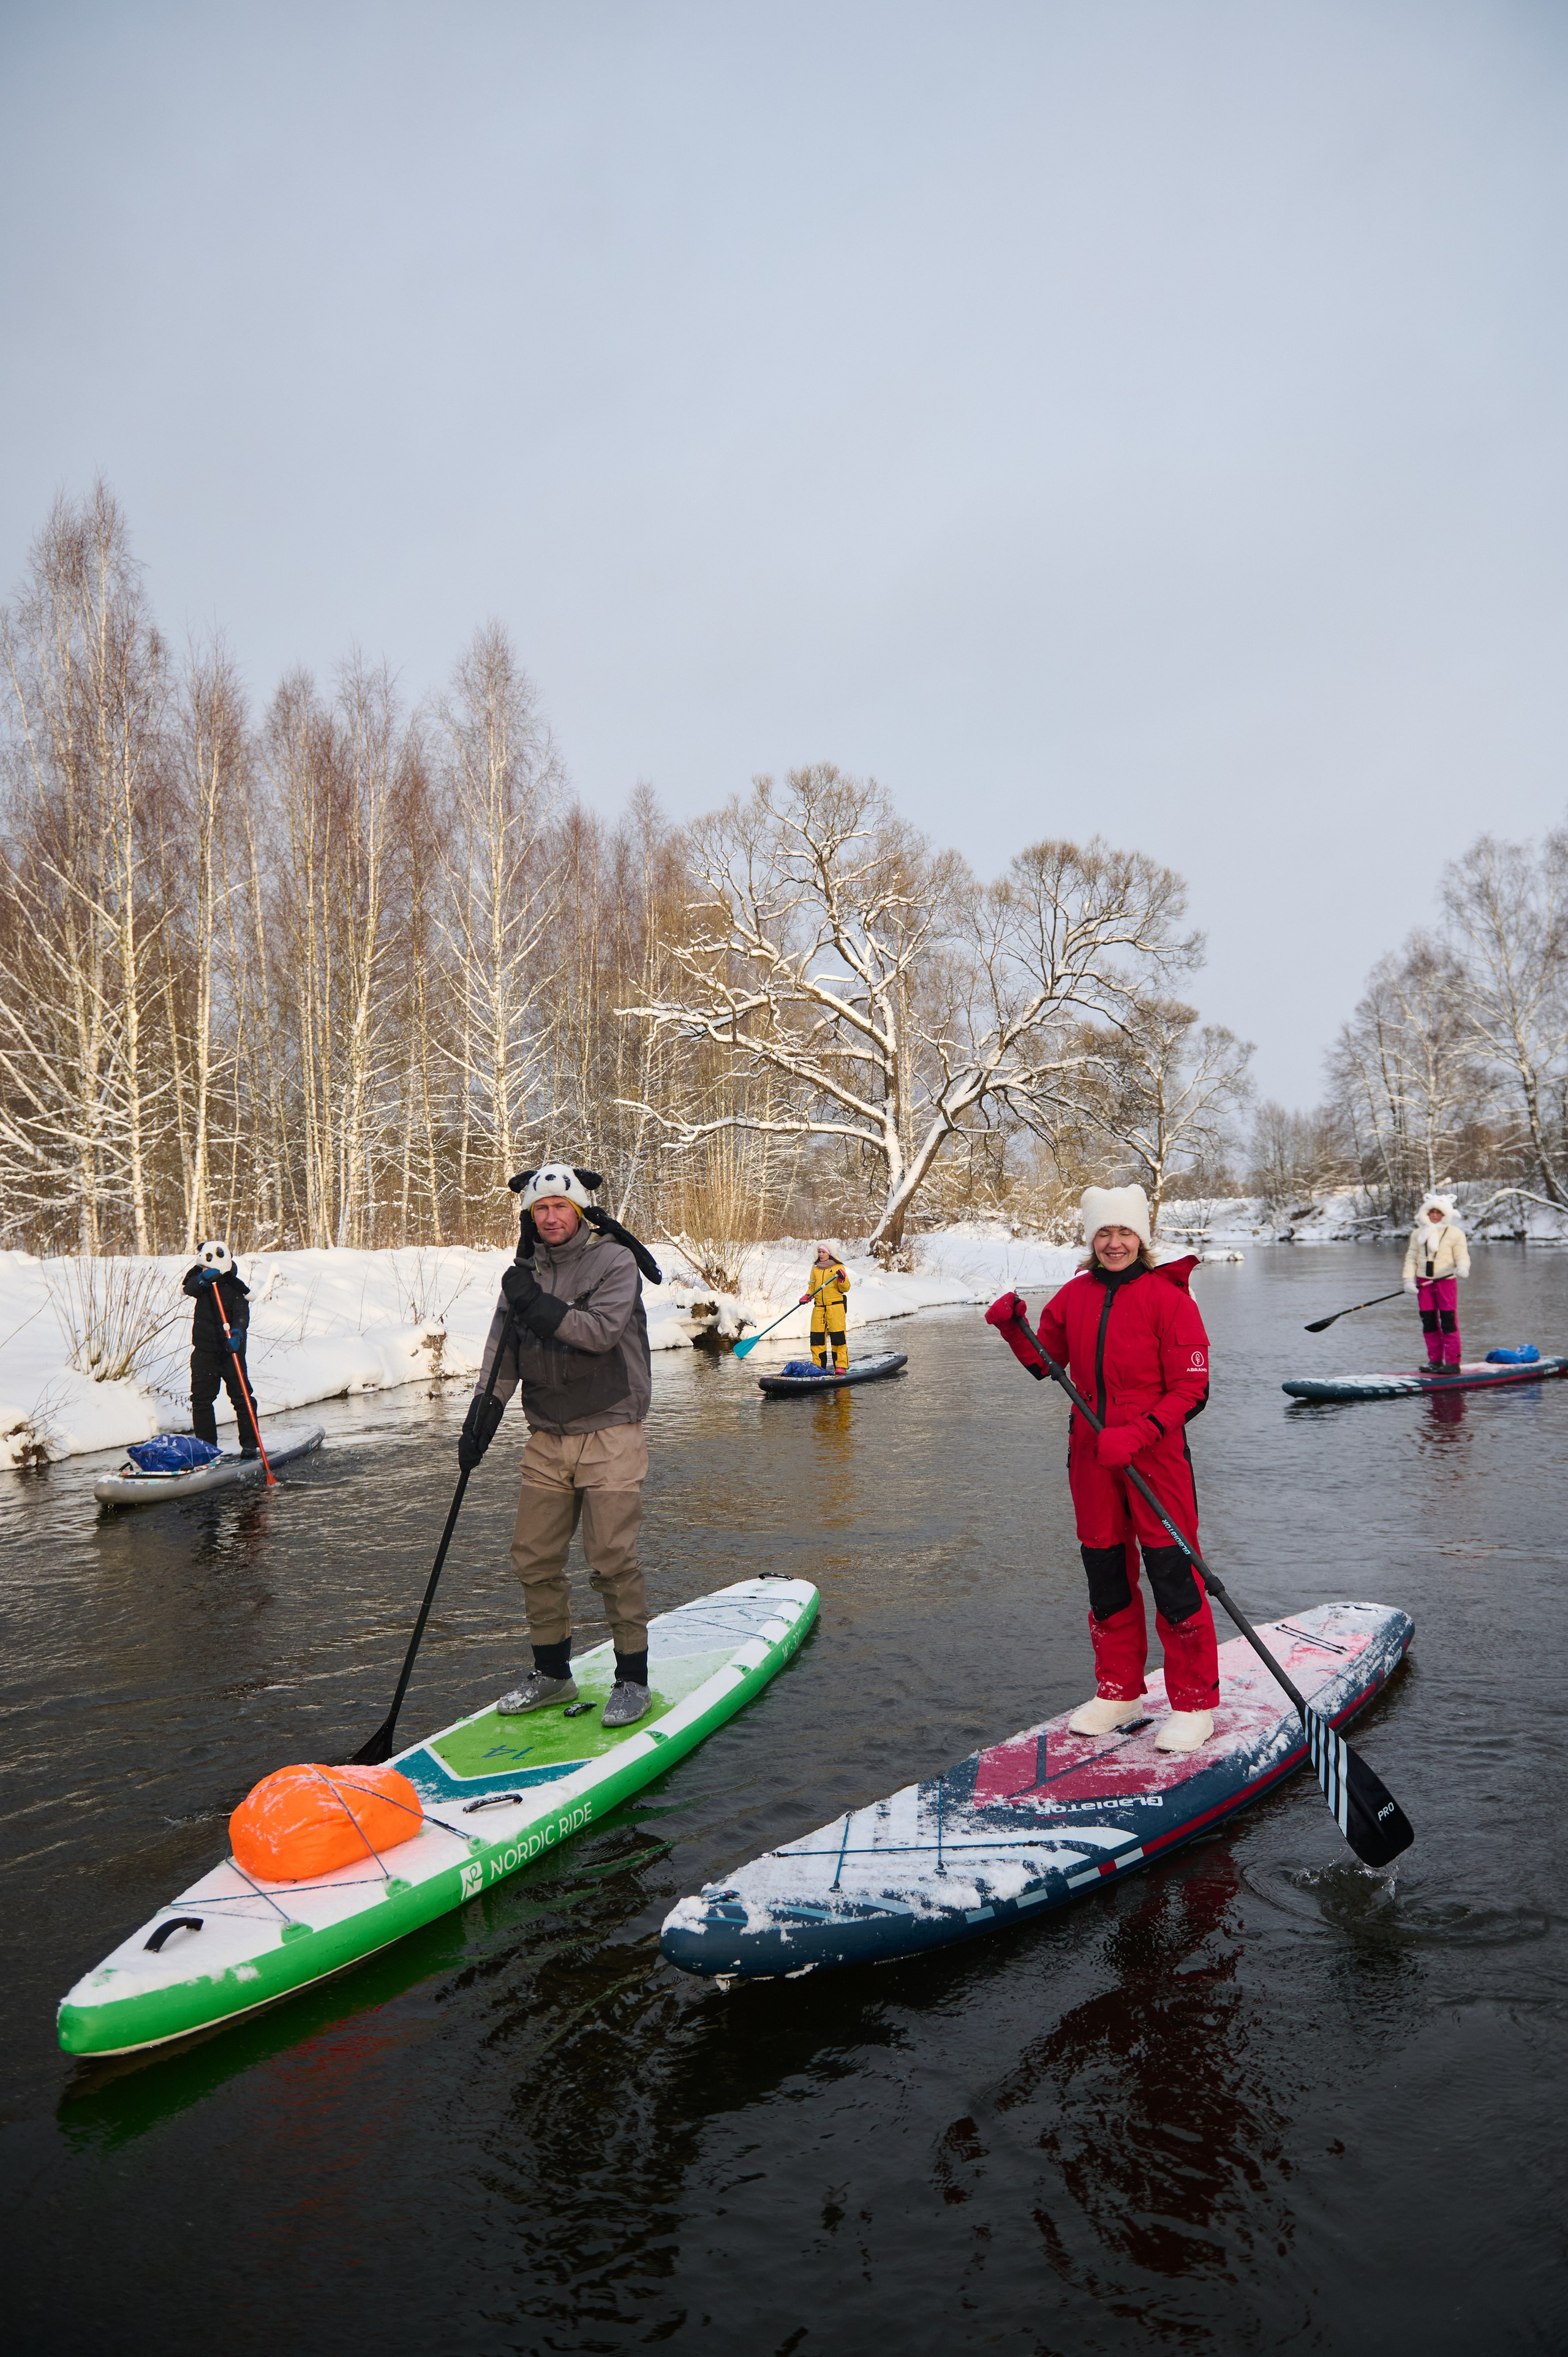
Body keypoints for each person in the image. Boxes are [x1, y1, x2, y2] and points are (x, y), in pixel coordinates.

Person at [989, 1183, 1219, 1752]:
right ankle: (1120, 1691)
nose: (1114, 1242)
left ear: (1141, 1237)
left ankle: (1194, 1704)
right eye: (1104, 1233)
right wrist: (1013, 1330)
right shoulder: (1073, 1296)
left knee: (1172, 1574)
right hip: (1091, 1457)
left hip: (1155, 1458)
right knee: (1106, 1571)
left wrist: (1138, 1434)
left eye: (1124, 1232)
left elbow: (1194, 1390)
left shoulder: (1171, 1300)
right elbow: (1048, 1364)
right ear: (1091, 1239)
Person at [458, 1160, 660, 1730]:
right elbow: (502, 1356)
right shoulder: (523, 1271)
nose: (549, 1218)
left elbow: (599, 1332)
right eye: (539, 1209)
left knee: (612, 1560)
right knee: (534, 1558)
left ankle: (632, 1680)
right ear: (529, 1215)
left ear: (578, 1211)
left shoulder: (614, 1261)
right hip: (547, 1436)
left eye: (559, 1208)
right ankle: (552, 1674)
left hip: (611, 1430)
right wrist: (481, 1418)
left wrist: (537, 1304)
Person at [181, 1240, 261, 1455]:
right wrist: (204, 1279)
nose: (204, 1269)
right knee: (201, 1400)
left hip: (230, 1352)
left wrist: (237, 1335)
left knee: (242, 1398)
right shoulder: (200, 1280)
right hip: (204, 1352)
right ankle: (207, 1449)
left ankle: (250, 1444)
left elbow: (242, 1315)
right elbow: (189, 1288)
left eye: (208, 1266)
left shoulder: (234, 1286)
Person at [1401, 1191, 1470, 1370]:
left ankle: (1453, 1363)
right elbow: (1411, 1258)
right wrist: (1408, 1280)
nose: (1434, 1215)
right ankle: (1435, 1361)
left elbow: (1462, 1255)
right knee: (1429, 1322)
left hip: (1446, 1281)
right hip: (1423, 1283)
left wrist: (1463, 1267)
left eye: (1438, 1213)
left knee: (1448, 1322)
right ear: (1426, 1213)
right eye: (1431, 1212)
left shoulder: (1455, 1233)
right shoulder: (1418, 1234)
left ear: (1445, 1214)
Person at [804, 1243, 851, 1370]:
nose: (821, 1255)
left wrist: (842, 1279)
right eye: (819, 1252)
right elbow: (812, 1287)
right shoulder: (815, 1269)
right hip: (819, 1307)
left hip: (835, 1307)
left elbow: (845, 1288)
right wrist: (808, 1295)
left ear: (829, 1253)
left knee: (838, 1338)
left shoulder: (838, 1268)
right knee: (816, 1339)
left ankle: (841, 1366)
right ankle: (818, 1366)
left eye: (824, 1252)